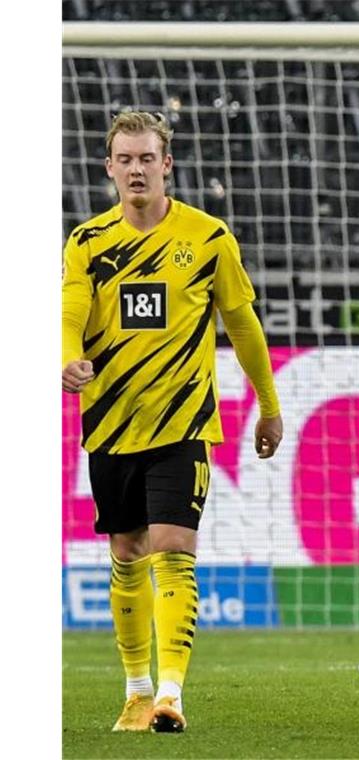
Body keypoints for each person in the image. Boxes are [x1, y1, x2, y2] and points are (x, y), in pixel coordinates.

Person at [61, 111, 283, 733]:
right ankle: (134, 689)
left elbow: (243, 326)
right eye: (124, 159)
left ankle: (170, 693)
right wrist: (66, 358)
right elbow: (70, 312)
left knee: (173, 549)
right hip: (110, 423)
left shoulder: (208, 238)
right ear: (109, 168)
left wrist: (269, 405)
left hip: (183, 424)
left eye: (146, 158)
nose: (136, 168)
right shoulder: (87, 243)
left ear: (167, 164)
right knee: (126, 552)